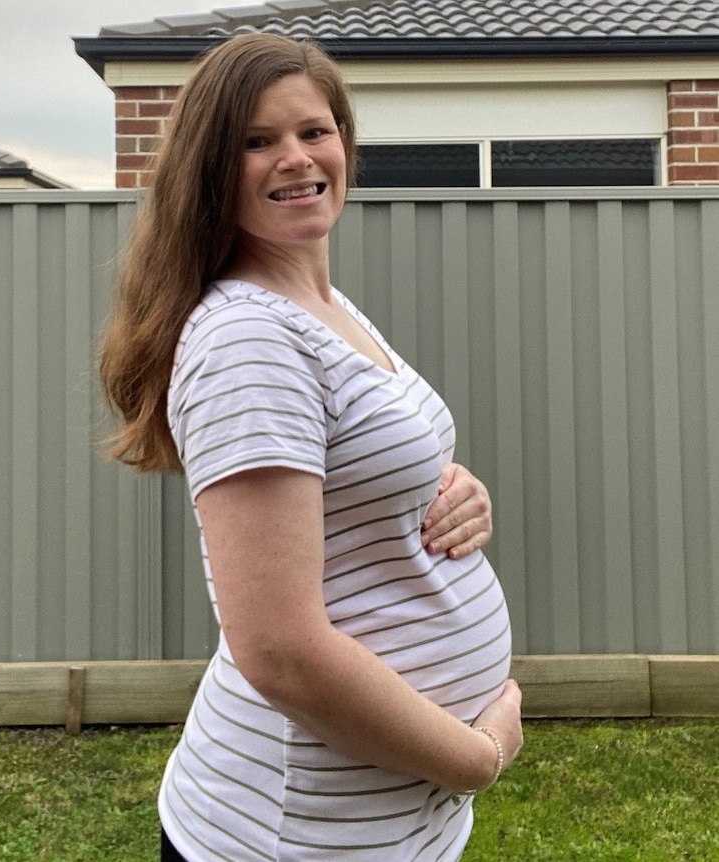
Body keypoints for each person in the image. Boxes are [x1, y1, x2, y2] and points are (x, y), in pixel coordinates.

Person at [100, 32, 523, 862]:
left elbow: (359, 467)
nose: (295, 158)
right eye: (257, 142)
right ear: (213, 170)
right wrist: (473, 758)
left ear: (344, 141)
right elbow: (279, 649)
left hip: (377, 823)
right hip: (293, 832)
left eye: (313, 130)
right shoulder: (247, 338)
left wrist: (451, 491)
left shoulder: (324, 305)